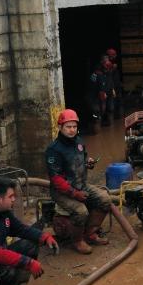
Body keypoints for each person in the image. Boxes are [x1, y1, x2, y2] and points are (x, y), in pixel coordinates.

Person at [46, 109, 112, 254]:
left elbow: (83, 158)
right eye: (68, 127)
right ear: (60, 127)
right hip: (62, 192)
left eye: (74, 126)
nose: (72, 130)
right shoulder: (54, 150)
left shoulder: (79, 142)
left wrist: (88, 162)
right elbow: (56, 179)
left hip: (80, 185)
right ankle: (77, 240)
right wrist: (74, 194)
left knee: (105, 199)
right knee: (81, 211)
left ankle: (90, 233)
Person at [106, 48, 123, 119]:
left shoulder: (113, 63)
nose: (115, 56)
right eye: (113, 55)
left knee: (117, 99)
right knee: (113, 99)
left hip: (116, 84)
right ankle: (112, 115)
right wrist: (113, 68)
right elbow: (108, 74)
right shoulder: (107, 63)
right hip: (111, 85)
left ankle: (117, 114)